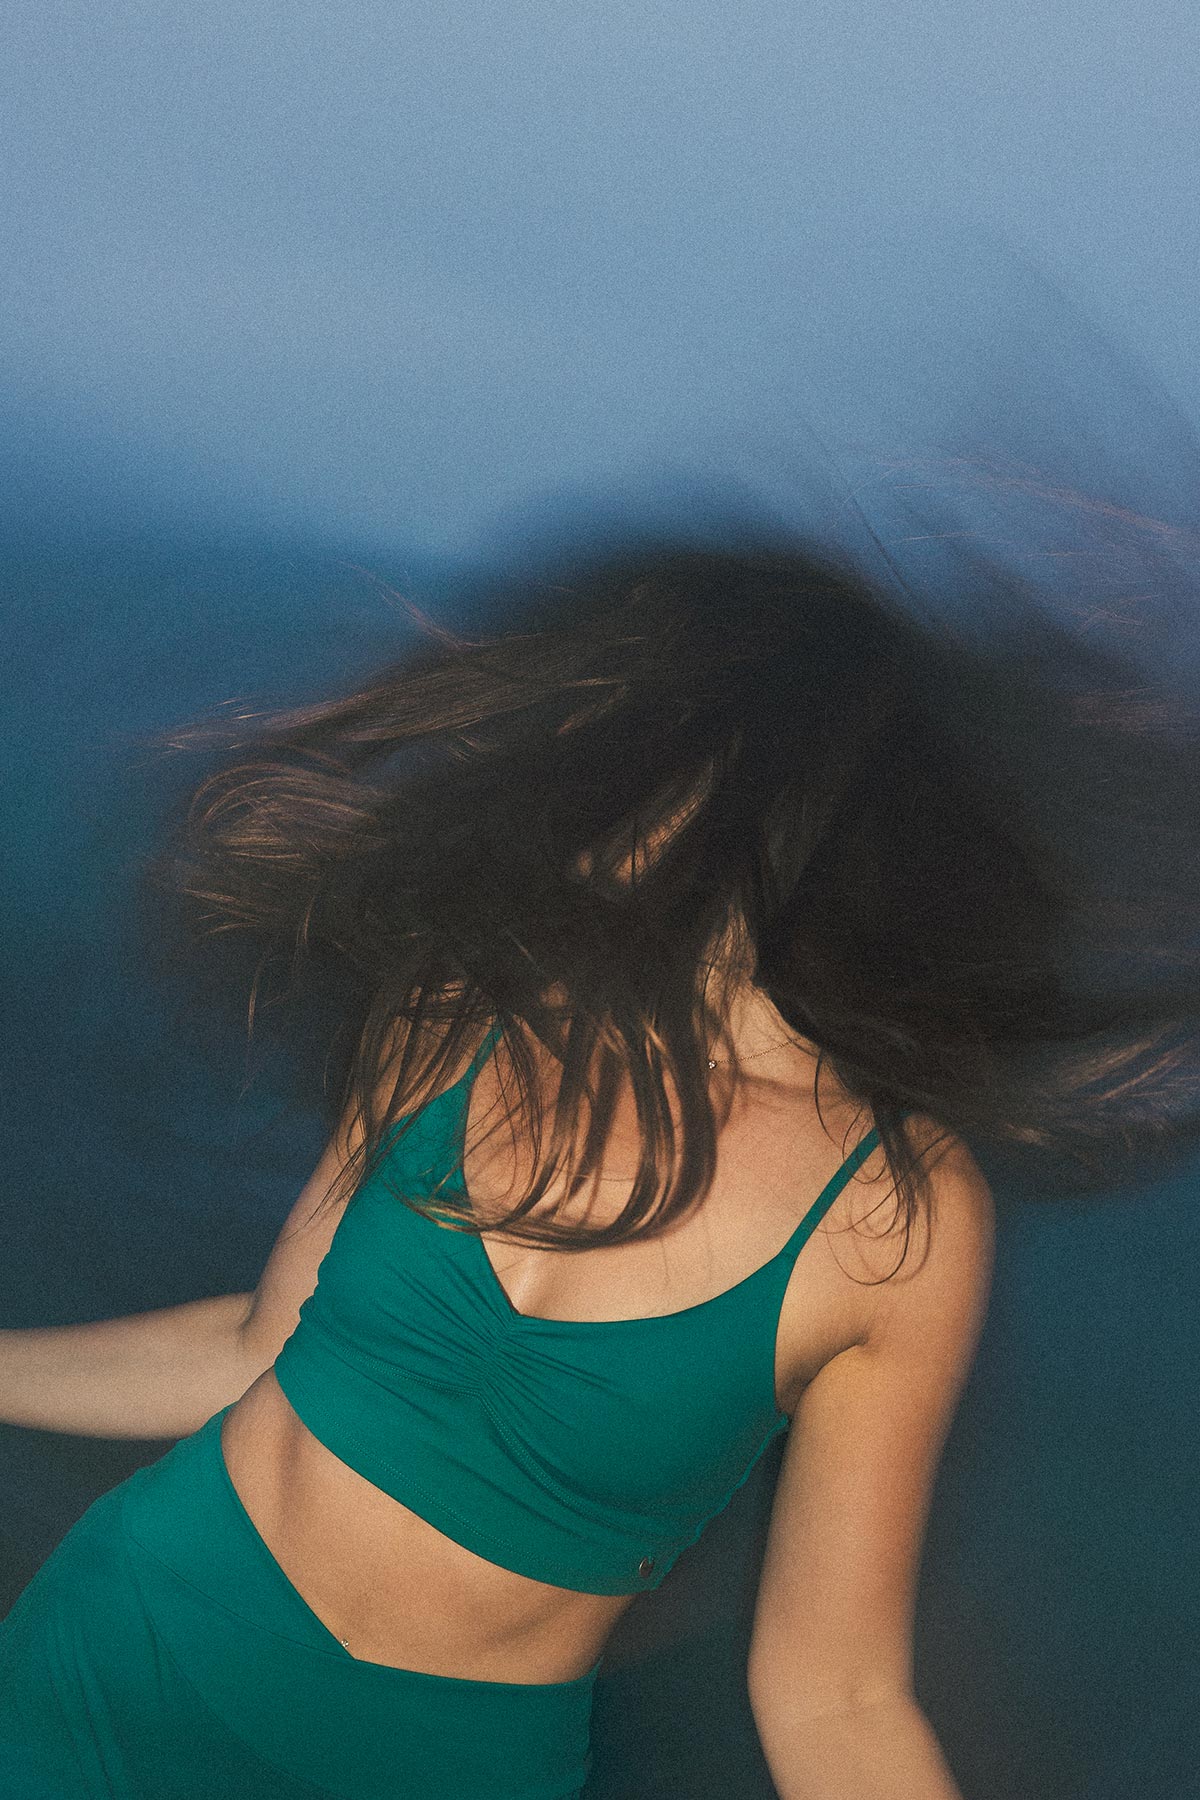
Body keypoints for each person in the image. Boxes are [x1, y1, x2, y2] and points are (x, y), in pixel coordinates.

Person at [1, 528, 1196, 1800]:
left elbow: (837, 1697)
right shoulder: (463, 1013)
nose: (567, 773)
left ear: (757, 792)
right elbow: (260, 1351)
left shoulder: (892, 1216)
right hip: (111, 1643)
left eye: (622, 738)